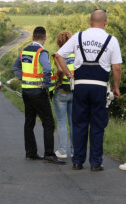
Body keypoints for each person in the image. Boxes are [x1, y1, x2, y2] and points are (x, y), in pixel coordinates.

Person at [55, 9, 122, 171]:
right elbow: (117, 68)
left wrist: (69, 74)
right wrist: (116, 88)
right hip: (99, 87)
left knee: (79, 123)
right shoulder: (111, 40)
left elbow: (58, 55)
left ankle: (78, 162)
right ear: (105, 22)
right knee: (98, 124)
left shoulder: (78, 37)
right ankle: (95, 163)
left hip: (80, 86)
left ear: (90, 22)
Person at [13, 26, 66, 165]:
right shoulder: (41, 52)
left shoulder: (23, 51)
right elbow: (47, 69)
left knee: (29, 122)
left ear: (32, 37)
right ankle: (49, 154)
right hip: (38, 91)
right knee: (48, 122)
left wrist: (24, 79)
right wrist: (46, 86)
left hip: (26, 90)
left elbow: (15, 67)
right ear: (45, 37)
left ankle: (30, 153)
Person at [52, 31, 75, 159]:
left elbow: (60, 70)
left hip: (62, 91)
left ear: (59, 42)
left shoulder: (58, 54)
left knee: (61, 122)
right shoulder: (77, 54)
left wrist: (59, 82)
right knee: (72, 122)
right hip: (75, 90)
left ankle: (62, 150)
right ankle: (73, 150)